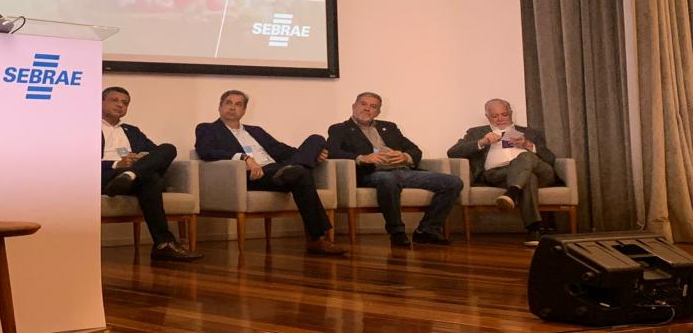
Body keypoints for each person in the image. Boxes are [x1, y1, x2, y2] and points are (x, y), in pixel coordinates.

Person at [195, 90, 346, 256]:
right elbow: (206, 151)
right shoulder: (207, 129)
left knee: (316, 140)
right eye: (228, 103)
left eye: (238, 104)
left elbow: (281, 150)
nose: (232, 107)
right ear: (220, 106)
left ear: (244, 110)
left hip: (278, 168)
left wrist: (313, 154)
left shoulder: (255, 131)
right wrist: (243, 157)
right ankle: (317, 239)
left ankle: (290, 171)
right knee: (301, 172)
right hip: (255, 175)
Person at [326, 92, 463, 248]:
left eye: (373, 106)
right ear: (354, 106)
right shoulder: (339, 129)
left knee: (453, 182)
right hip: (372, 173)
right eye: (363, 104)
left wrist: (405, 156)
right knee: (388, 179)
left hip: (404, 171)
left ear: (378, 112)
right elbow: (332, 151)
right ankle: (397, 232)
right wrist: (362, 158)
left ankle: (427, 230)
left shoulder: (389, 127)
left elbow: (414, 150)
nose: (367, 108)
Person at [101, 87, 202, 261]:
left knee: (168, 148)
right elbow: (80, 161)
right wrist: (117, 163)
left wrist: (138, 161)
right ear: (101, 102)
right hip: (105, 176)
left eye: (125, 103)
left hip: (132, 178)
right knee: (151, 179)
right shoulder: (86, 127)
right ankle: (163, 244)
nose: (120, 105)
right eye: (114, 100)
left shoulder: (132, 131)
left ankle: (131, 175)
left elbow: (155, 153)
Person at [447, 98, 559, 246]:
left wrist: (528, 145)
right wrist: (482, 142)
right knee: (529, 178)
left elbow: (550, 158)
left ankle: (512, 193)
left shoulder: (529, 132)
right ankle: (534, 229)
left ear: (510, 113)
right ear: (487, 117)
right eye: (495, 116)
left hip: (540, 172)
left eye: (504, 114)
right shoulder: (476, 132)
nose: (500, 119)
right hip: (499, 173)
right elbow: (452, 152)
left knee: (525, 157)